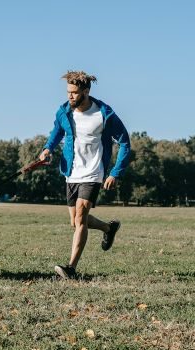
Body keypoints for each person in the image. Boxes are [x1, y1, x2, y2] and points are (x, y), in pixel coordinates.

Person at [39, 70, 131, 279]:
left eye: (74, 92)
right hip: (71, 172)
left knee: (80, 218)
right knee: (75, 221)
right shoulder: (64, 112)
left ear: (86, 91)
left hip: (93, 172)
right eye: (68, 92)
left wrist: (115, 172)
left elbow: (125, 142)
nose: (70, 96)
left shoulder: (104, 114)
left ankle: (70, 269)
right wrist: (47, 149)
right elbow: (57, 132)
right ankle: (108, 228)